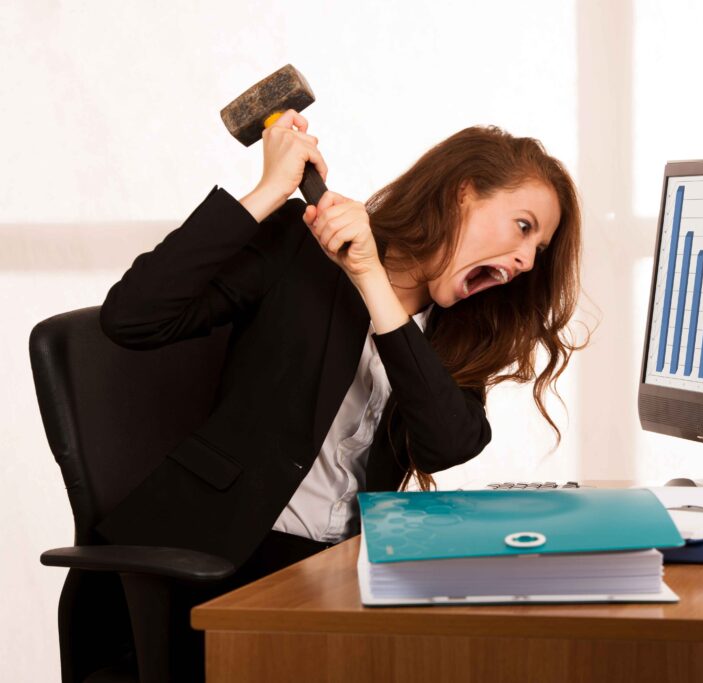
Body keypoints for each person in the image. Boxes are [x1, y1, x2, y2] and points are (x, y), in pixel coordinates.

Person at [94, 110, 585, 679]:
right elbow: (132, 318)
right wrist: (269, 191)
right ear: (462, 195)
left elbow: (447, 444)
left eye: (539, 250)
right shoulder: (295, 252)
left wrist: (373, 279)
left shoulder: (457, 331)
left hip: (342, 569)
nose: (526, 262)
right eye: (523, 227)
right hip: (221, 563)